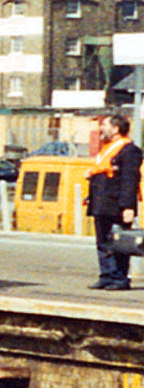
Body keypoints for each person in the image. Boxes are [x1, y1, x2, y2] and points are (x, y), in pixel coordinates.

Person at [87, 112, 141, 290]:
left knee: (119, 241)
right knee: (103, 242)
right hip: (101, 203)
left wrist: (128, 207)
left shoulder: (129, 150)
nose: (101, 129)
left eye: (105, 125)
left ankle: (120, 278)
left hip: (117, 203)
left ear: (116, 129)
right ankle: (107, 275)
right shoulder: (106, 149)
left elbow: (129, 180)